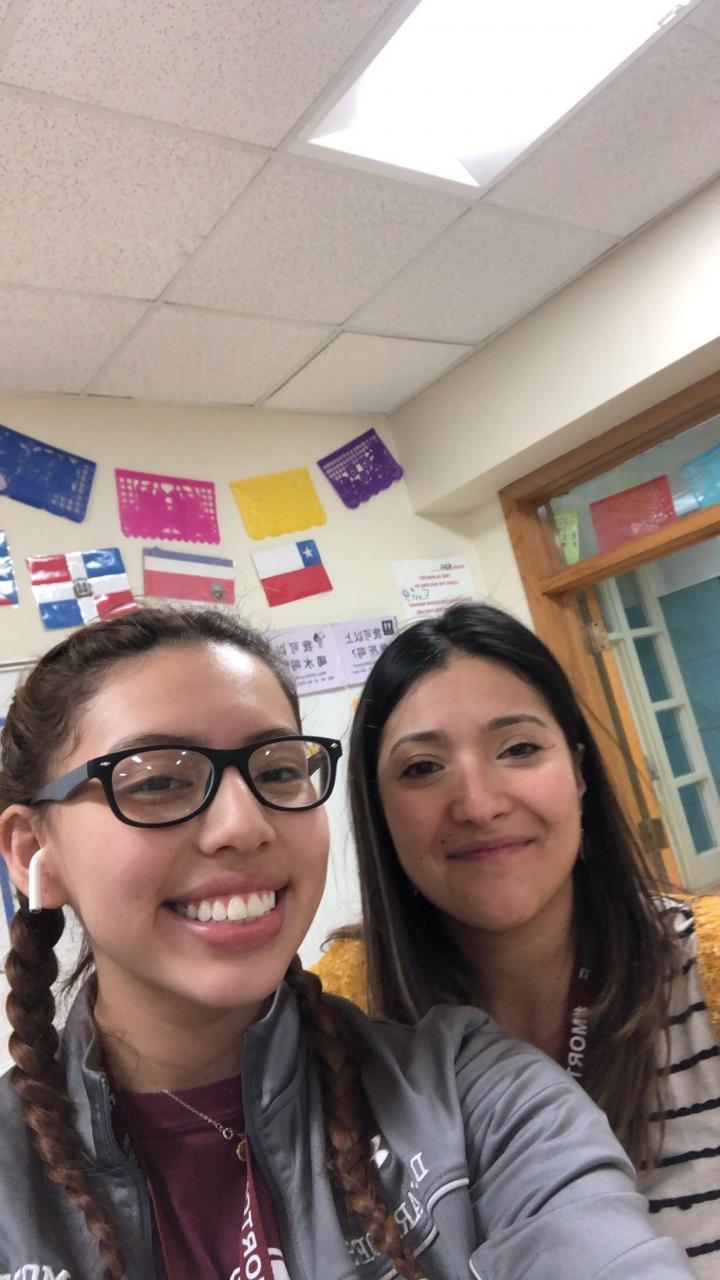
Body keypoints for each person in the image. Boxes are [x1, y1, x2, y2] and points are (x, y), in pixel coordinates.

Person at [0, 607, 696, 1280]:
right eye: (156, 781)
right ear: (34, 852)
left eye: (277, 770)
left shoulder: (470, 1089)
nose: (245, 825)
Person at [314, 601, 720, 1277]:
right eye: (422, 768)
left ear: (580, 773)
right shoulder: (338, 1018)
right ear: (379, 813)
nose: (479, 804)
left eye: (520, 749)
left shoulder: (708, 968)